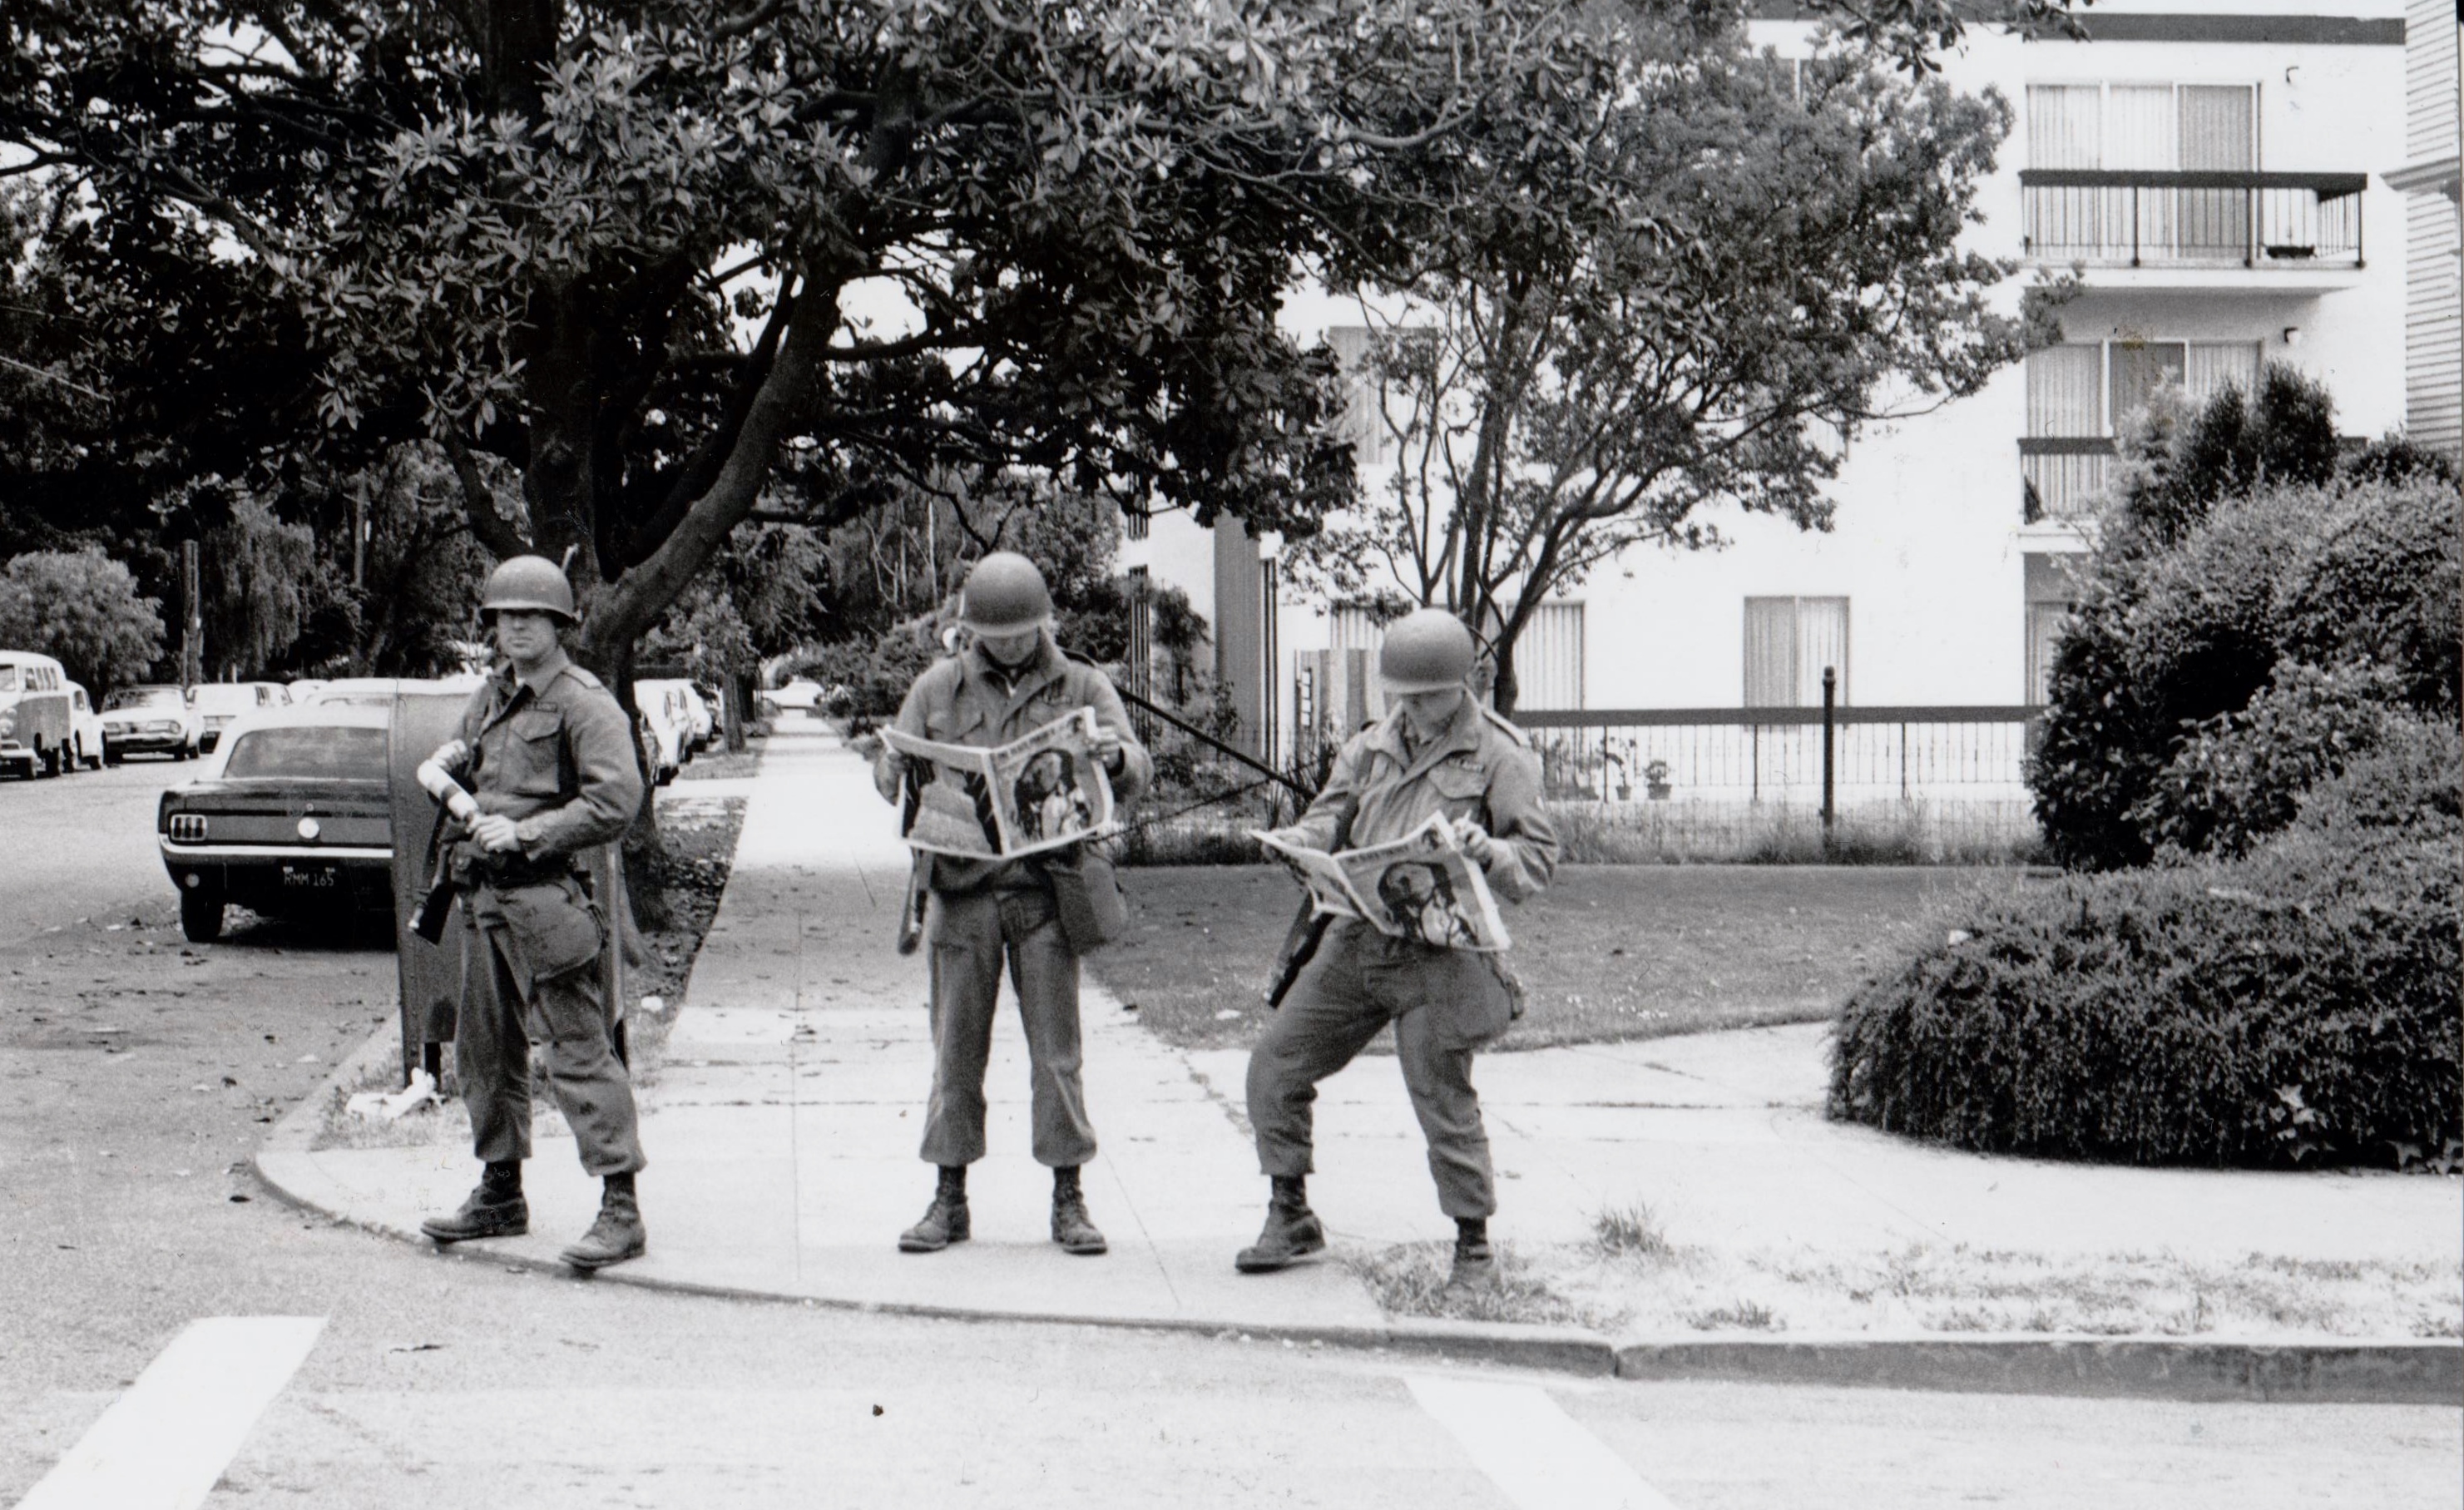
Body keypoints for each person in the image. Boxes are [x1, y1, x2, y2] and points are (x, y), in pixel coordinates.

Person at [1236, 608, 1558, 1292]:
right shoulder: (1371, 745)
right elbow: (1330, 815)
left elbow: (1536, 860)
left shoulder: (1502, 754)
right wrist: (1301, 840)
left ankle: (1473, 1247)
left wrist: (1490, 850)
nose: (1410, 709)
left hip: (1440, 950)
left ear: (1463, 682)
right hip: (1359, 936)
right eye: (1400, 694)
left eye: (1426, 695)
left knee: (1440, 1091)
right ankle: (1289, 1210)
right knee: (1275, 1063)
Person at [873, 552, 1150, 1256]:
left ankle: (1069, 1197)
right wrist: (895, 765)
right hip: (961, 893)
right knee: (954, 1054)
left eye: (1021, 633)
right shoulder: (938, 688)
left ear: (1044, 623)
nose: (1007, 645)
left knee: (1057, 1055)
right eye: (993, 636)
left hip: (1046, 890)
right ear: (970, 631)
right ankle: (949, 1197)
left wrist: (1110, 756)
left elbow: (1136, 763)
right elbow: (886, 776)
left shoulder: (1082, 683)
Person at [417, 555, 651, 1271]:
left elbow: (618, 800)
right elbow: (473, 772)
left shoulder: (585, 701)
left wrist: (528, 833)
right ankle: (501, 1190)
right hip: (485, 900)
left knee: (579, 1052)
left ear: (558, 623)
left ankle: (621, 1207)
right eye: (502, 616)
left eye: (529, 615)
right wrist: (451, 768)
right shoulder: (490, 697)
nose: (513, 627)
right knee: (484, 1054)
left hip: (548, 899)